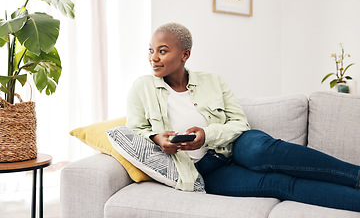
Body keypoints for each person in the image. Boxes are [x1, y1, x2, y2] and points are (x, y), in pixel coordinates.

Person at [126, 22, 360, 212]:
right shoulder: (142, 87)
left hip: (237, 144)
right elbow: (134, 130)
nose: (153, 57)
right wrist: (157, 138)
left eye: (162, 50)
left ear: (185, 54)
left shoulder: (212, 80)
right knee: (277, 183)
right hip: (206, 170)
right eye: (151, 50)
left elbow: (240, 123)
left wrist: (207, 135)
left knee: (265, 151)